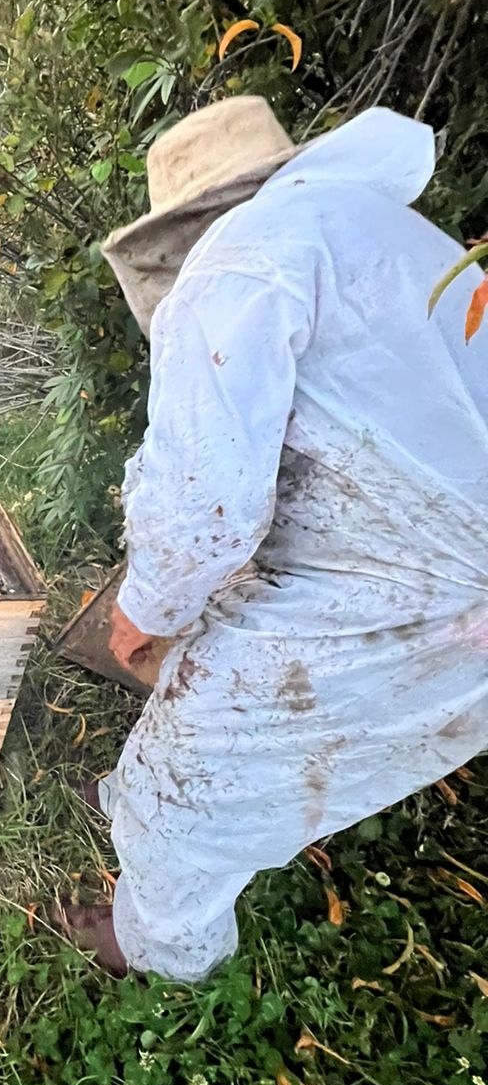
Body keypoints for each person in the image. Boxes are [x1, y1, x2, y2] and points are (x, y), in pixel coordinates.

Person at [58, 97, 488, 981]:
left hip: (421, 579)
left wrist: (145, 613)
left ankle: (163, 956)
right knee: (302, 728)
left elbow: (203, 502)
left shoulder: (243, 258)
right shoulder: (381, 233)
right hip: (442, 572)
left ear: (189, 225)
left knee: (184, 769)